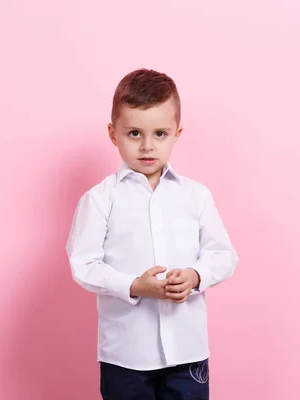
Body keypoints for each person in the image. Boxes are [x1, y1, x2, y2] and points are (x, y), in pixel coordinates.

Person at [66, 68, 239, 399]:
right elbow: (84, 264)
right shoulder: (100, 200)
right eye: (134, 133)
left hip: (186, 350)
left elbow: (223, 255)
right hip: (126, 353)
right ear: (113, 133)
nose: (147, 146)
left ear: (177, 133)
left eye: (160, 133)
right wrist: (133, 285)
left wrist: (195, 276)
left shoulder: (196, 195)